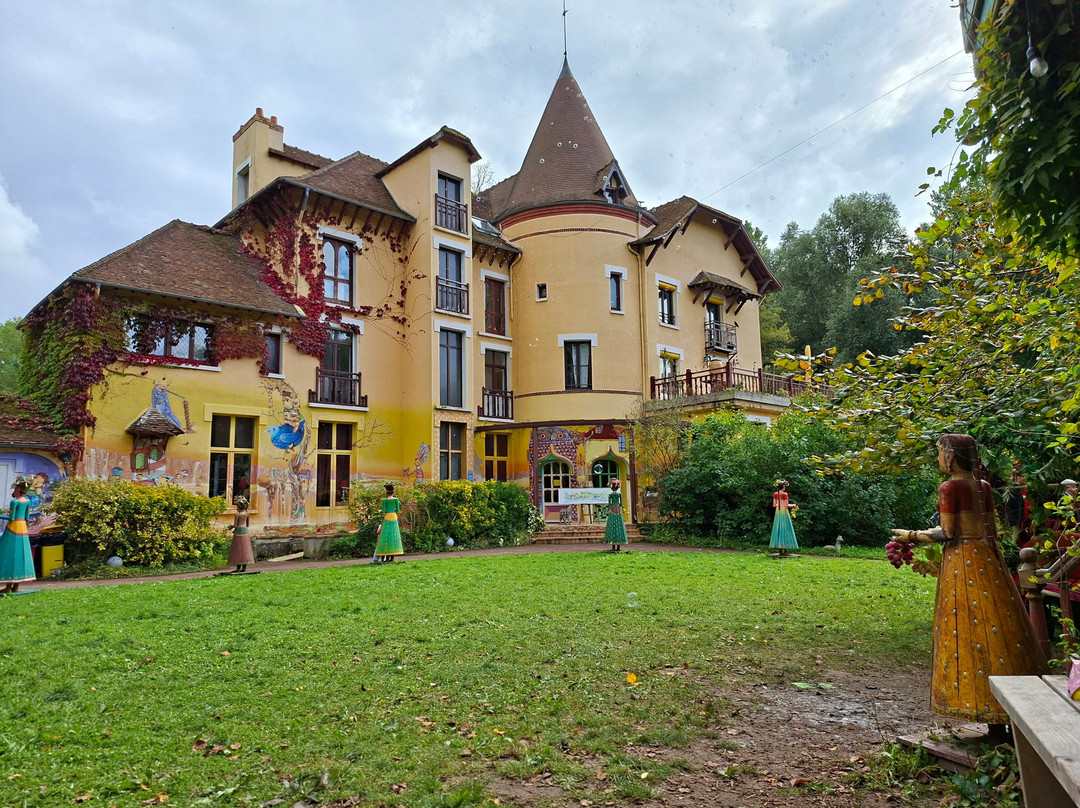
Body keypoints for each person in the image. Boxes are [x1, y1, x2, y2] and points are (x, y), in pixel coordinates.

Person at [892, 434, 1048, 729]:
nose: (938, 459)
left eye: (940, 453)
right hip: (989, 559)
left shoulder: (949, 488)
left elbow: (948, 533)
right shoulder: (983, 486)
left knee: (965, 626)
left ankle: (976, 703)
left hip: (962, 563)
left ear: (951, 456)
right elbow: (991, 529)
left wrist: (910, 535)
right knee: (1000, 624)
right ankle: (1015, 707)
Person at [0, 478, 36, 594]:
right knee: (21, 553)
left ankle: (8, 586)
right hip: (22, 528)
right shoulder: (27, 501)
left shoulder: (14, 502)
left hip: (13, 528)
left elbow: (11, 518)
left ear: (18, 489)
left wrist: (1, 516)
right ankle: (16, 586)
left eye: (15, 489)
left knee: (9, 553)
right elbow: (27, 517)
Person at [374, 484, 404, 563]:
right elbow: (398, 509)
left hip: (387, 517)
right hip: (394, 516)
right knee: (394, 535)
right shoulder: (396, 499)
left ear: (386, 493)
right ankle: (392, 558)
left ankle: (386, 557)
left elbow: (383, 510)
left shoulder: (384, 500)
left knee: (386, 536)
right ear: (393, 492)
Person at [769, 480, 799, 557]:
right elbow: (786, 505)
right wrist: (793, 505)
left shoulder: (775, 494)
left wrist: (779, 505)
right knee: (786, 529)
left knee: (778, 529)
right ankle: (785, 550)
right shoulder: (785, 494)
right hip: (784, 512)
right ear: (783, 486)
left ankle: (780, 550)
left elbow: (774, 505)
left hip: (777, 513)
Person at [227, 496, 254, 573]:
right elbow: (247, 524)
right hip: (245, 531)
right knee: (245, 548)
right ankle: (244, 568)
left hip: (238, 532)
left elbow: (236, 525)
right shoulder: (247, 515)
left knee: (237, 549)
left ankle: (238, 568)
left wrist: (231, 527)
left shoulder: (237, 515)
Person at [605, 479, 628, 552]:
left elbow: (609, 503)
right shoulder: (619, 495)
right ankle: (618, 547)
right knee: (619, 526)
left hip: (612, 509)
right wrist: (621, 507)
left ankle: (613, 547)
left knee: (612, 526)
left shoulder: (610, 495)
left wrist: (607, 507)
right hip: (618, 510)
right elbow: (621, 503)